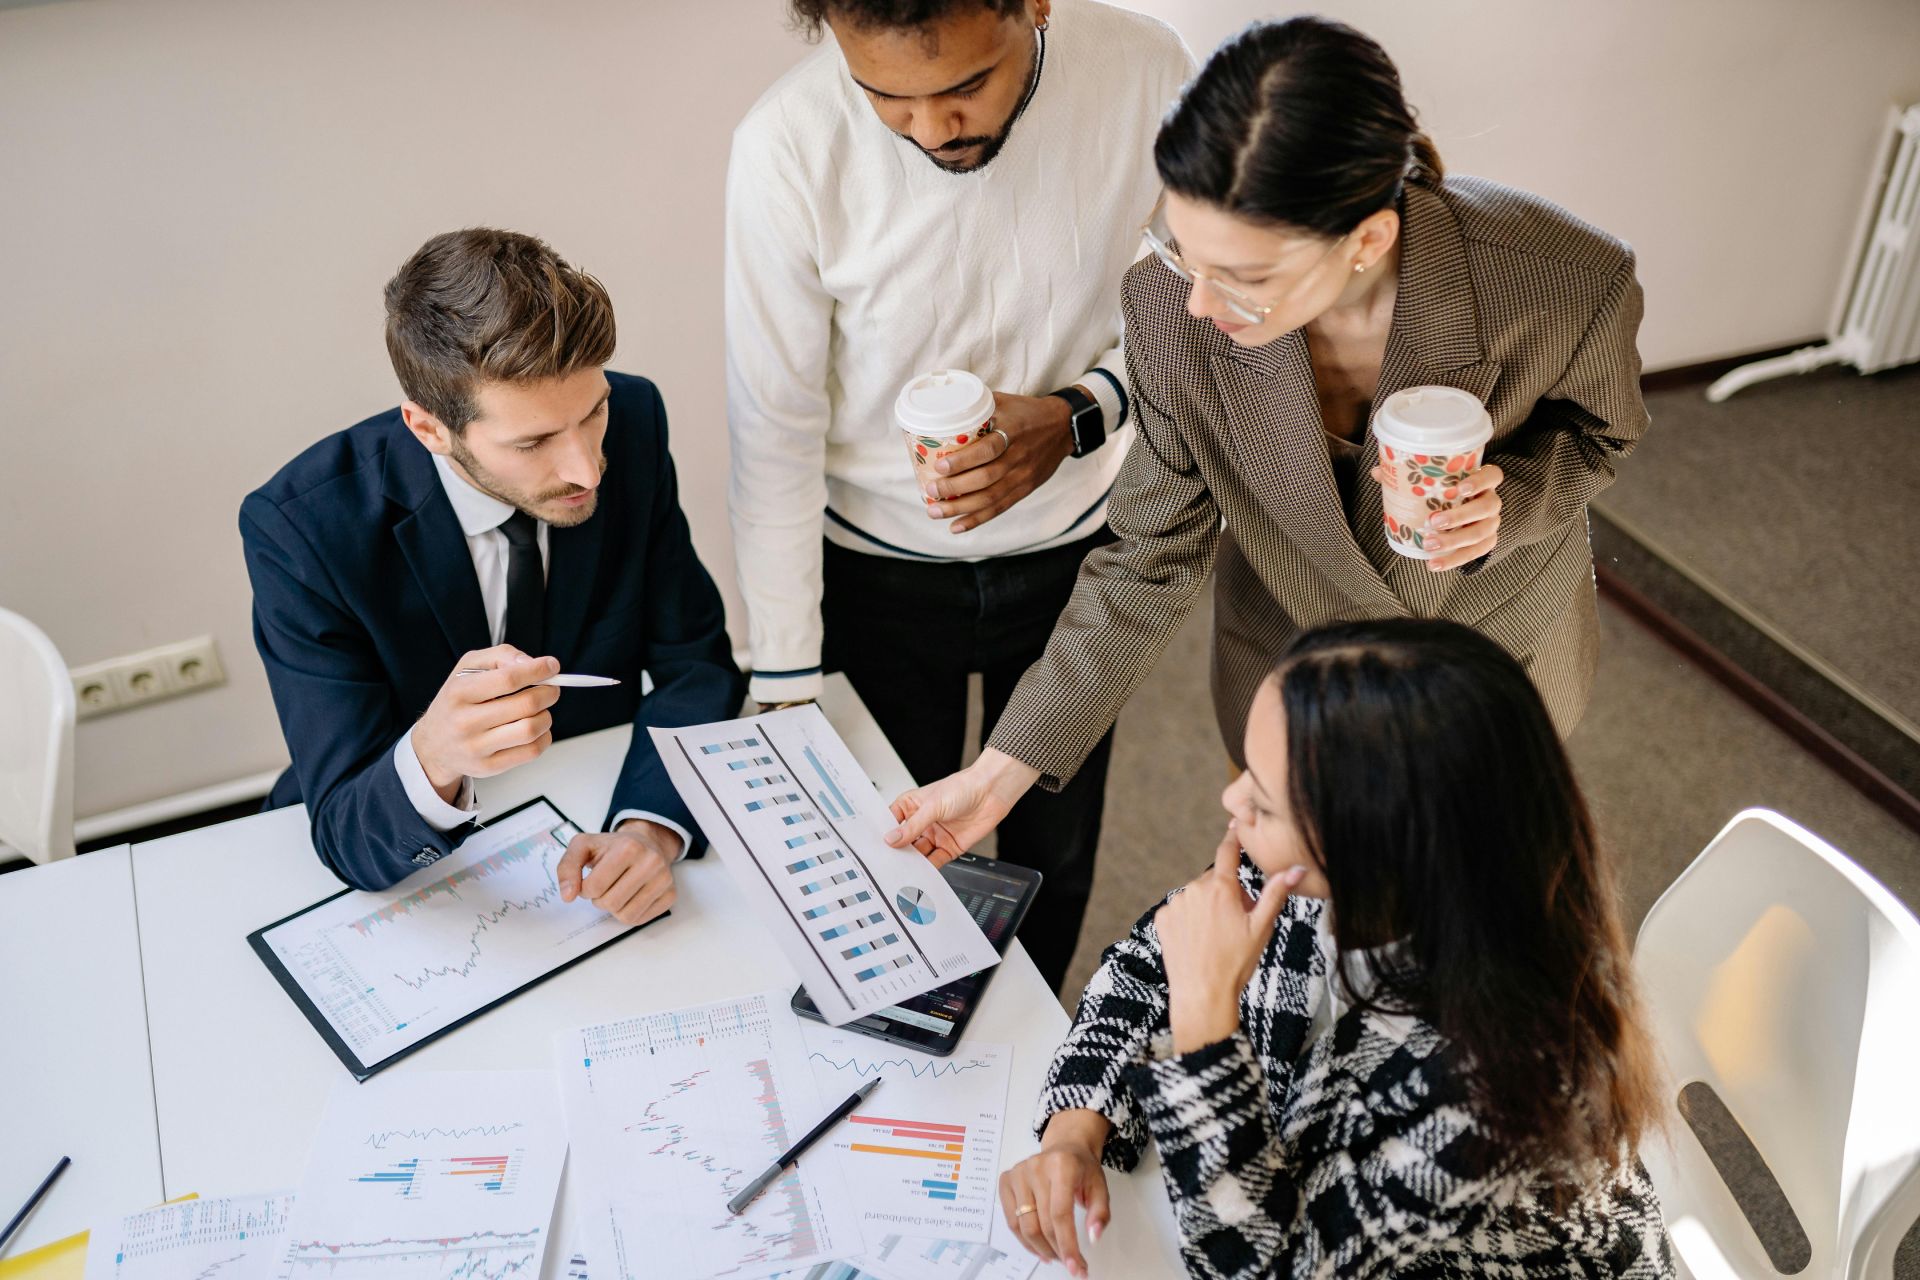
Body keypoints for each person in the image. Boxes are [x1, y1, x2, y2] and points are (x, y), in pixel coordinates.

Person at [883, 17, 1651, 868]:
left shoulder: (1563, 282)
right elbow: (1148, 560)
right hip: (1288, 675)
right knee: (1282, 914)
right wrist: (997, 775)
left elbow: (1603, 433)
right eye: (1186, 257)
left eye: (1244, 279)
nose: (1202, 305)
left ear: (1367, 240)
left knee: (1468, 910)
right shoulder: (1171, 312)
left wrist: (1511, 500)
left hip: (1488, 665)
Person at [725, 0, 1192, 989]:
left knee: (1051, 861)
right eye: (885, 95)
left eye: (965, 87)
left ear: (1035, 4)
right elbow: (774, 424)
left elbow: (1200, 300)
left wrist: (1079, 413)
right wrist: (783, 681)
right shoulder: (784, 145)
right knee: (886, 859)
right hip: (873, 573)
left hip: (1079, 556)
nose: (931, 128)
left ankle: (1029, 1064)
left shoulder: (1148, 71)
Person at [999, 619, 1674, 1279]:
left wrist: (1207, 1021)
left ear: (1366, 844)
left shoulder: (1501, 1088)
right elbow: (1148, 967)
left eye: (1262, 804)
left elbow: (1265, 1267)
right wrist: (1073, 1134)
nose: (1229, 799)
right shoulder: (1312, 878)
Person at [241, 228, 745, 921]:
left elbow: (698, 667)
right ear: (429, 430)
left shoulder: (634, 420)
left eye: (591, 412)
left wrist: (649, 827)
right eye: (533, 442)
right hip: (404, 870)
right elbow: (347, 831)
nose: (586, 469)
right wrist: (434, 754)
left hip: (595, 789)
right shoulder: (302, 531)